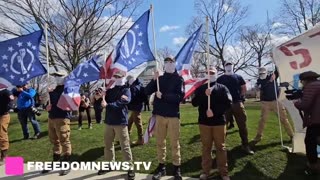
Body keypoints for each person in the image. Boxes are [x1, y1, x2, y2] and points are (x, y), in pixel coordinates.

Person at [145, 57, 185, 180]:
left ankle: (176, 168)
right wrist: (154, 79)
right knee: (160, 142)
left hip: (173, 115)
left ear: (175, 64)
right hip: (160, 115)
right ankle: (161, 167)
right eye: (167, 62)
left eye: (171, 62)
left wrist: (164, 96)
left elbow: (180, 97)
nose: (169, 64)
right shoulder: (160, 79)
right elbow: (146, 91)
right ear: (164, 65)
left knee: (174, 143)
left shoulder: (179, 79)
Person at [192, 67, 232, 180]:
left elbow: (228, 103)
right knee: (206, 147)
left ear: (216, 74)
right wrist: (204, 94)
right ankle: (205, 171)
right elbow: (194, 103)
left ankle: (224, 172)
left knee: (221, 147)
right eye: (208, 72)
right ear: (206, 74)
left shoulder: (223, 88)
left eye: (213, 72)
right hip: (204, 123)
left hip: (219, 122)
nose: (211, 74)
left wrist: (215, 112)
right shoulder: (201, 88)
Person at [97, 71, 135, 180]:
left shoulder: (126, 90)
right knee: (108, 145)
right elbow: (103, 101)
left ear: (123, 77)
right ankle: (109, 164)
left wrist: (108, 105)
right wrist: (102, 95)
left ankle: (130, 167)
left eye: (120, 76)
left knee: (125, 145)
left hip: (120, 122)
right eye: (116, 76)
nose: (117, 78)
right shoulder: (111, 90)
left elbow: (121, 103)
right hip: (109, 121)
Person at [217, 61, 254, 155]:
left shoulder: (238, 77)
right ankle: (221, 148)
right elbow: (217, 90)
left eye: (230, 65)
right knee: (222, 127)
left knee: (242, 125)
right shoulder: (220, 78)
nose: (228, 66)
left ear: (233, 66)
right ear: (224, 67)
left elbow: (244, 88)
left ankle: (245, 145)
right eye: (226, 65)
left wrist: (240, 98)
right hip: (225, 105)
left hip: (237, 103)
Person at [252, 67, 294, 145]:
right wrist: (267, 82)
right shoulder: (259, 81)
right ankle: (259, 135)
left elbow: (278, 68)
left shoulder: (273, 76)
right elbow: (260, 88)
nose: (262, 75)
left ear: (266, 72)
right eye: (260, 73)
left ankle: (291, 135)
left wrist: (274, 57)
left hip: (276, 101)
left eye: (263, 73)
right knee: (262, 120)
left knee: (284, 119)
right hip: (265, 102)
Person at [42, 71, 72, 175]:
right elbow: (48, 104)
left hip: (62, 118)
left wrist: (52, 94)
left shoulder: (68, 90)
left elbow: (65, 103)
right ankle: (56, 160)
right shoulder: (53, 90)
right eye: (55, 76)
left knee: (64, 140)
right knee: (54, 140)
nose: (56, 78)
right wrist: (47, 107)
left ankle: (66, 163)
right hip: (52, 117)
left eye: (59, 76)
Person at [294, 71, 320, 174]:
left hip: (316, 120)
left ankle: (313, 164)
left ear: (305, 80)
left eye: (302, 81)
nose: (302, 83)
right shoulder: (317, 84)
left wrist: (296, 102)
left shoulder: (311, 86)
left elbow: (305, 105)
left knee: (310, 142)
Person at [127, 75, 147, 145]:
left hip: (135, 107)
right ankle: (126, 136)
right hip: (138, 106)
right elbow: (145, 97)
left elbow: (131, 98)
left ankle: (140, 139)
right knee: (130, 122)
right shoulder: (140, 85)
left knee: (138, 123)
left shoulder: (133, 87)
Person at [0, 87, 14, 166]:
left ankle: (4, 155)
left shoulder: (6, 92)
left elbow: (11, 100)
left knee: (2, 133)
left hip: (4, 115)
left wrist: (8, 107)